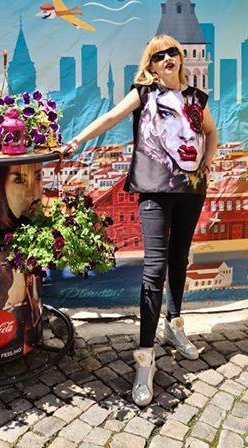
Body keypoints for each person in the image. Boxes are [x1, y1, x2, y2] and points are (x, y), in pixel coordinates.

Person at [61, 34, 218, 407]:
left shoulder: (197, 98)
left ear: (181, 59)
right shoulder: (144, 94)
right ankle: (145, 358)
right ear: (151, 65)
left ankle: (174, 325)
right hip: (154, 189)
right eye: (158, 55)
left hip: (192, 189)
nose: (167, 58)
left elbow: (210, 132)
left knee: (179, 258)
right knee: (154, 269)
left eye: (172, 52)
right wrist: (76, 141)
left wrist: (207, 163)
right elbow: (111, 117)